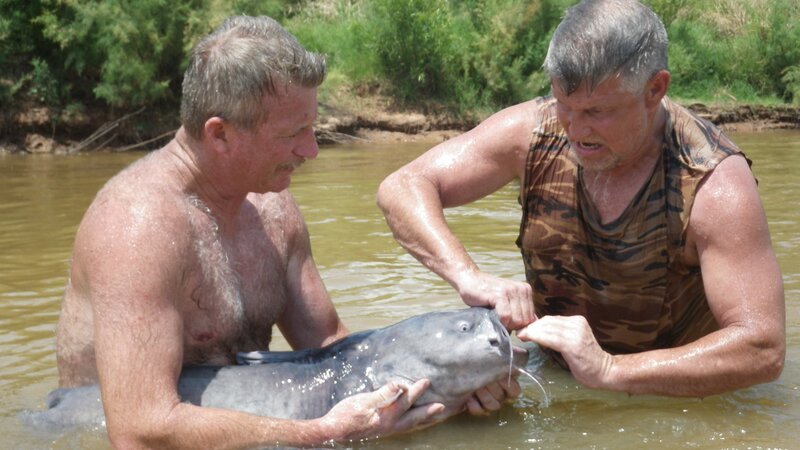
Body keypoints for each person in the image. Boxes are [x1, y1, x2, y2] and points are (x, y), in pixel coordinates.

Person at [55, 15, 515, 449]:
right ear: (220, 135)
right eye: (294, 133)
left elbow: (333, 353)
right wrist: (321, 433)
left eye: (312, 128)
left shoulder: (273, 209)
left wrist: (460, 382)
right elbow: (138, 431)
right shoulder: (136, 229)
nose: (311, 150)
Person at [377, 0, 785, 398]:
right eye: (564, 104)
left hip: (674, 397)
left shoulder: (712, 182)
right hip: (557, 376)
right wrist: (468, 276)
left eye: (596, 111)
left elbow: (762, 348)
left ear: (654, 89)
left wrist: (610, 370)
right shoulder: (533, 133)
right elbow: (402, 187)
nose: (575, 129)